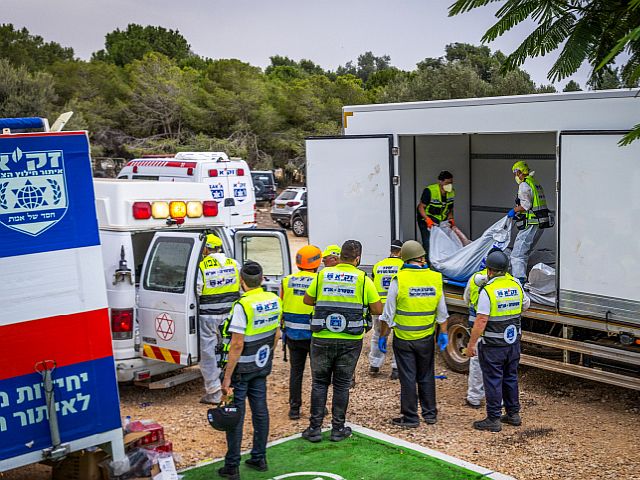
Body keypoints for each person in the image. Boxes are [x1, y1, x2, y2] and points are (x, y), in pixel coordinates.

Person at [301, 240, 382, 442]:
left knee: (319, 383)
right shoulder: (363, 279)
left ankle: (314, 429)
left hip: (322, 337)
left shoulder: (322, 275)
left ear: (340, 257)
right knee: (342, 384)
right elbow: (377, 309)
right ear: (357, 258)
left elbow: (307, 300)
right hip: (350, 340)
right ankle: (338, 429)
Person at [217, 261, 282, 478]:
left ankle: (232, 466)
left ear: (241, 281)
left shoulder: (241, 306)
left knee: (235, 414)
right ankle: (259, 457)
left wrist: (226, 378)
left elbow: (236, 344)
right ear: (262, 279)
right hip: (261, 366)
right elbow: (276, 335)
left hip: (241, 369)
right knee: (260, 411)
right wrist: (265, 356)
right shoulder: (273, 300)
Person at [379, 240, 449, 427]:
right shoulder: (435, 278)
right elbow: (442, 313)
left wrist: (383, 336)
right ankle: (430, 414)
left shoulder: (399, 280)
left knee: (408, 377)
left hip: (403, 339)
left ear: (405, 259)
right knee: (426, 375)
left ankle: (410, 417)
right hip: (426, 338)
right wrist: (443, 333)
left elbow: (387, 315)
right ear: (422, 257)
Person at [466, 250, 530, 433]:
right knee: (510, 377)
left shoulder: (488, 290)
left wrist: (471, 345)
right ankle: (513, 414)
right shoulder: (515, 284)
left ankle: (493, 419)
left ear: (490, 270)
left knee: (493, 379)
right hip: (513, 342)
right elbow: (526, 305)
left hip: (493, 345)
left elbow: (481, 321)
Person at [463, 248, 513, 409]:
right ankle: (502, 400)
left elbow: (466, 299)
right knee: (500, 365)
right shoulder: (510, 281)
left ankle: (474, 397)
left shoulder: (475, 278)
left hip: (477, 324)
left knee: (477, 360)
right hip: (500, 327)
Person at [280, 245, 323, 420]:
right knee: (317, 374)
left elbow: (283, 305)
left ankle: (294, 409)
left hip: (292, 335)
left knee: (296, 372)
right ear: (317, 262)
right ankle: (317, 408)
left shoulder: (286, 280)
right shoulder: (320, 280)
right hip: (314, 335)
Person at [197, 234, 240, 405]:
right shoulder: (234, 263)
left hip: (208, 316)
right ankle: (231, 386)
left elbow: (197, 291)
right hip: (230, 316)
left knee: (208, 352)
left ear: (205, 249)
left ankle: (214, 392)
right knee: (229, 350)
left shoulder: (201, 267)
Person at [508, 161, 552, 285]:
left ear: (519, 172)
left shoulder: (524, 185)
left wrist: (513, 210)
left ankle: (518, 281)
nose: (515, 176)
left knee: (517, 253)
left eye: (515, 173)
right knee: (525, 251)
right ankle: (523, 276)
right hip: (539, 223)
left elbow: (525, 205)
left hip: (531, 224)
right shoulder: (534, 183)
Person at [368, 240, 404, 379]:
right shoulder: (402, 266)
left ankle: (374, 365)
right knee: (398, 336)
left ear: (391, 250)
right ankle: (395, 369)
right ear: (400, 252)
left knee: (377, 335)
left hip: (379, 307)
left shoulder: (378, 265)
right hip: (396, 307)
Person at [416, 171, 455, 256]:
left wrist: (451, 219)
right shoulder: (430, 191)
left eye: (451, 183)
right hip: (426, 219)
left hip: (440, 220)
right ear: (440, 182)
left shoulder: (451, 192)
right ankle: (428, 263)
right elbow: (421, 207)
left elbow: (450, 208)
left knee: (442, 242)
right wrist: (427, 219)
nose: (449, 185)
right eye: (447, 183)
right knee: (428, 242)